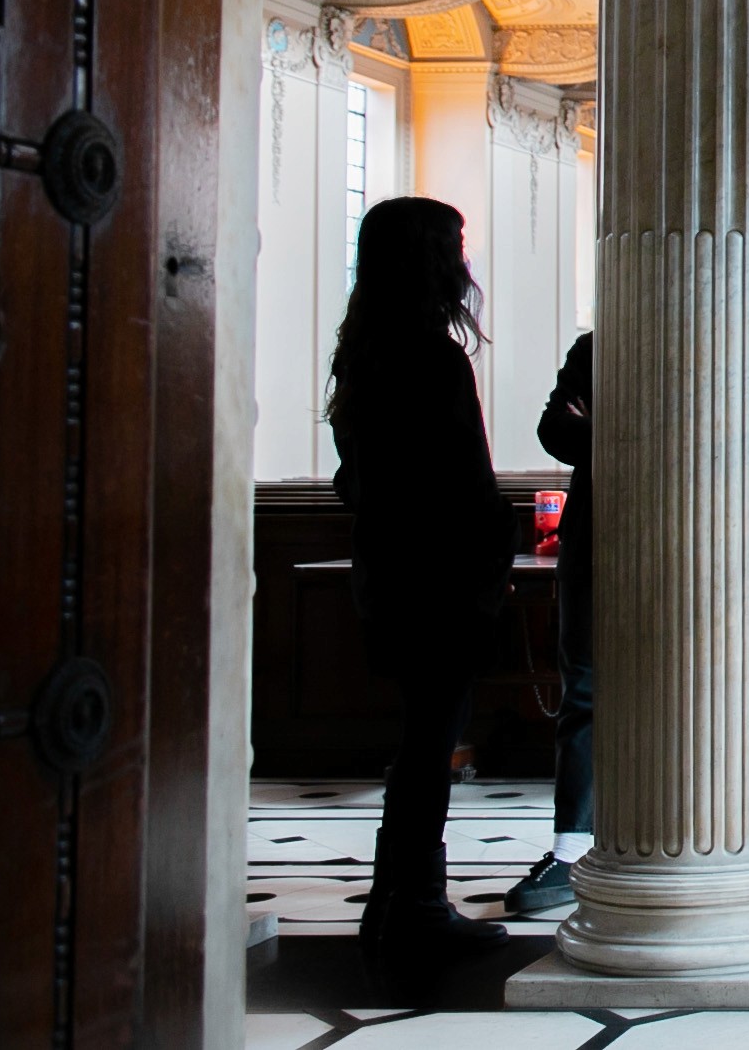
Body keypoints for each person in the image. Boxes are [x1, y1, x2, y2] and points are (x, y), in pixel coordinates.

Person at [326, 197, 514, 970]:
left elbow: (353, 481)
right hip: (439, 577)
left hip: (387, 569)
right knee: (432, 737)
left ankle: (393, 895)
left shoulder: (363, 352)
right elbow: (465, 480)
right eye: (454, 246)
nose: (461, 262)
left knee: (420, 738)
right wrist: (494, 555)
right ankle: (418, 906)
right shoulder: (432, 356)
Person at [507, 331, 594, 912]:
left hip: (677, 540)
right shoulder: (593, 349)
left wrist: (599, 425)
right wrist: (627, 434)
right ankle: (569, 850)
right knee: (583, 692)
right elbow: (551, 430)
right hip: (591, 543)